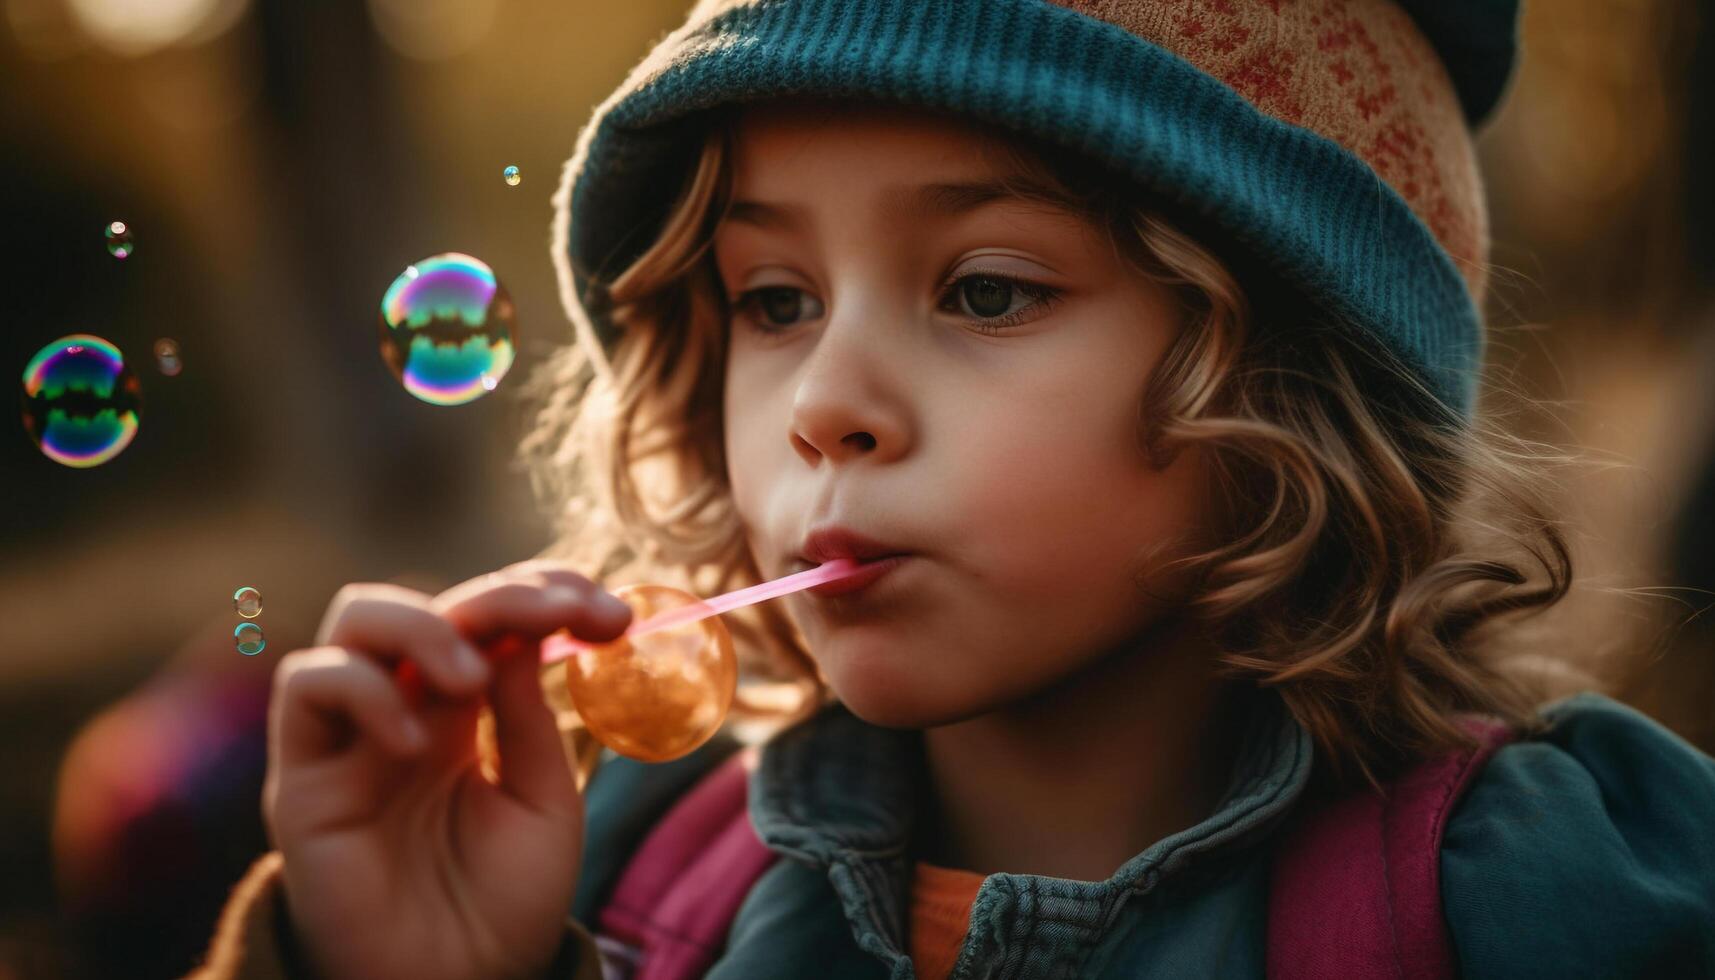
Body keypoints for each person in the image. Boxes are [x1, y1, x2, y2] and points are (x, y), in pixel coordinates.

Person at [187, 1, 1715, 977]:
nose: (827, 405)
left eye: (985, 292)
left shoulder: (1538, 905)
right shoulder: (623, 868)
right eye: (773, 300)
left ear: (1304, 386)